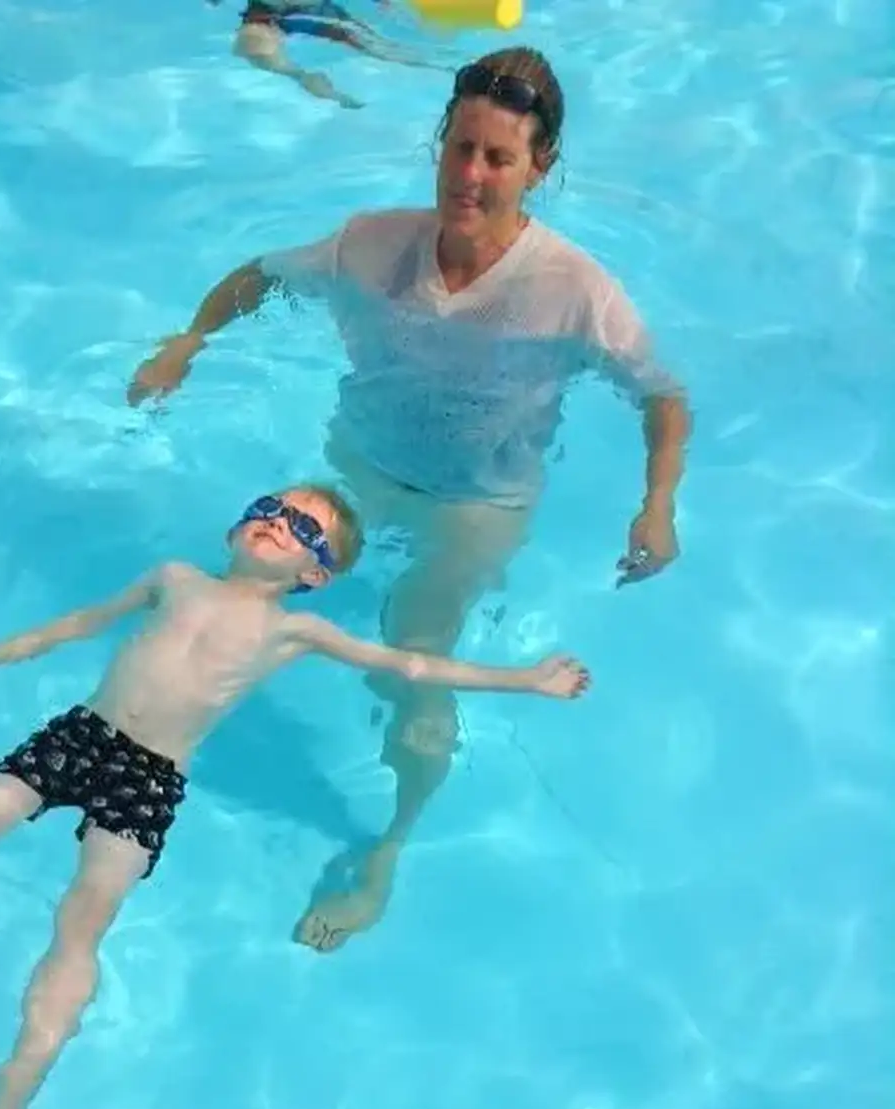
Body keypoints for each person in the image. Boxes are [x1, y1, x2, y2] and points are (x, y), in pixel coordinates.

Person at [0, 487, 590, 1109]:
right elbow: (72, 625)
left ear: (315, 575)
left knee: (81, 923)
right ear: (235, 527)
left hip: (149, 777)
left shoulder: (298, 633)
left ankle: (16, 1087)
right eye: (271, 508)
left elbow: (404, 659)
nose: (279, 524)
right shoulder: (172, 580)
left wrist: (524, 681)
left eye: (303, 530)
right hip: (79, 735)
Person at [128, 46, 689, 954]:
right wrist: (186, 342)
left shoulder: (575, 291)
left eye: (498, 158)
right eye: (460, 147)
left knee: (411, 658)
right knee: (237, 593)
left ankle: (386, 847)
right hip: (357, 472)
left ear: (539, 168)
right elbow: (258, 275)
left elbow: (662, 398)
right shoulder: (371, 243)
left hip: (473, 509)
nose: (471, 175)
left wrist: (657, 505)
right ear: (439, 142)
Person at [209, 0, 434, 109]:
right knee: (372, 44)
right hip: (275, 15)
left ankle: (316, 86)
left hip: (280, 14)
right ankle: (432, 64)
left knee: (258, 50)